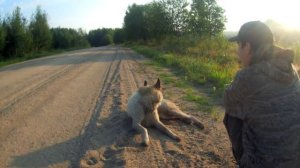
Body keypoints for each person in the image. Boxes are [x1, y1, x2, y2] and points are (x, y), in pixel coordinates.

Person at [224, 20, 300, 168]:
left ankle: (245, 162)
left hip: (264, 163)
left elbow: (227, 100)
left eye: (239, 45)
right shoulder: (291, 69)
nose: (237, 51)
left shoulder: (247, 76)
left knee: (231, 115)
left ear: (247, 46)